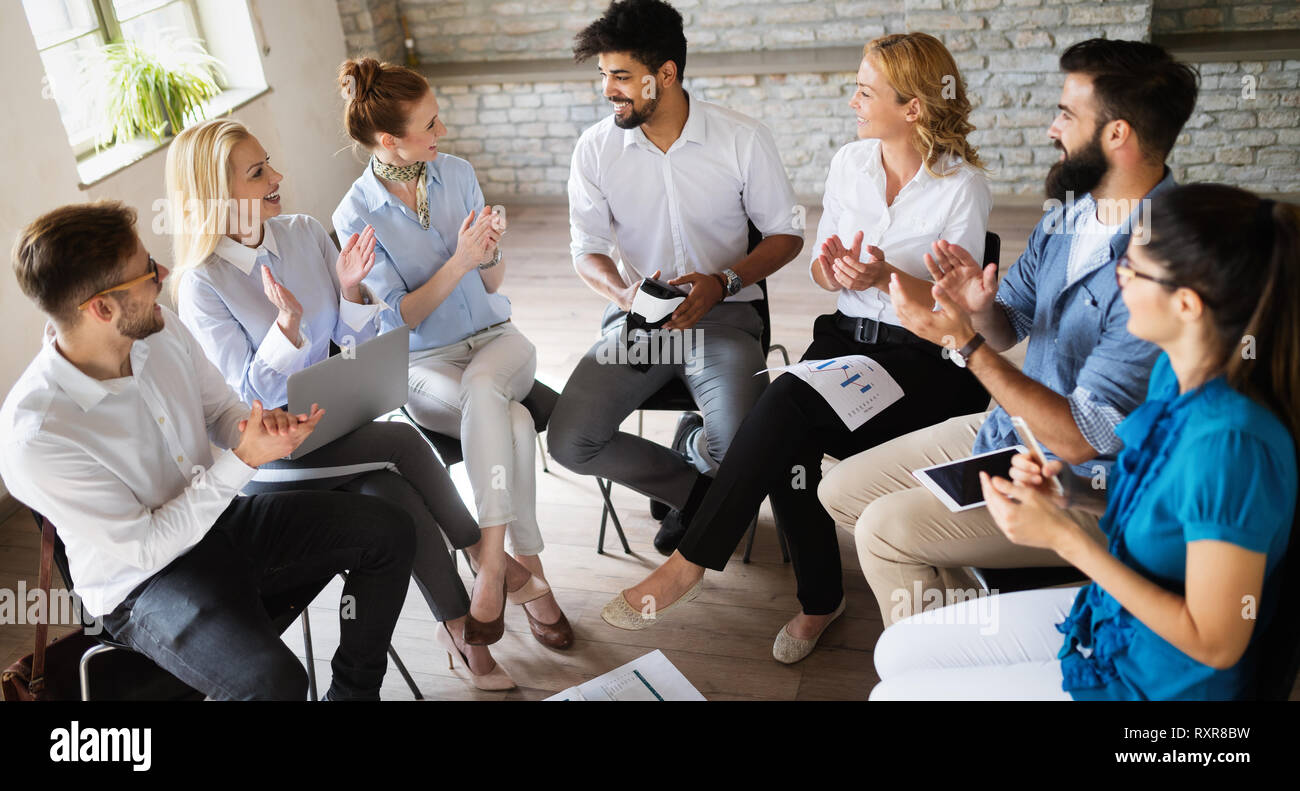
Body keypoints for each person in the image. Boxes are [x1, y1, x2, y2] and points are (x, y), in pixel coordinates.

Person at [600, 33, 993, 664]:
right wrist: (834, 272)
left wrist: (883, 277)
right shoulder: (850, 164)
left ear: (913, 108)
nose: (853, 100)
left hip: (916, 357)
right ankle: (819, 599)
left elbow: (960, 299)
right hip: (843, 339)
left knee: (785, 402)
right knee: (789, 425)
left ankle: (695, 560)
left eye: (866, 90)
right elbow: (818, 268)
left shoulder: (961, 186)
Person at [816, 38, 1200, 624]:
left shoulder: (1165, 256)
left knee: (883, 530)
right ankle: (967, 619)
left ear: (1117, 133)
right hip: (1013, 433)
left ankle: (940, 662)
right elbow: (1009, 324)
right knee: (838, 490)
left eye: (1067, 114)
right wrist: (977, 307)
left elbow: (1083, 439)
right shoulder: (1073, 212)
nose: (1052, 127)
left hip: (1086, 483)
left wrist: (962, 343)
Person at [871, 185, 1299, 700]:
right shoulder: (1172, 372)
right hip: (1118, 621)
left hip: (1161, 684)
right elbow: (1150, 492)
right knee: (892, 651)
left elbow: (1216, 644)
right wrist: (1071, 492)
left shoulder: (1233, 447)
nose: (1118, 278)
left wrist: (1063, 536)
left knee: (892, 695)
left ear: (1186, 305)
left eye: (1133, 271)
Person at [0, 201, 415, 701]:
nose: (166, 273)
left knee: (388, 529)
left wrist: (259, 427)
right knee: (275, 682)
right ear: (101, 309)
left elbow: (222, 412)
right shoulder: (36, 435)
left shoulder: (159, 328)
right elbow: (148, 545)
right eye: (147, 271)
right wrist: (245, 460)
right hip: (144, 584)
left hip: (222, 523)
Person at [167, 118, 517, 689]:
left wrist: (351, 291)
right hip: (276, 456)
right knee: (404, 443)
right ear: (217, 193)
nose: (278, 176)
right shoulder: (202, 284)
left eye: (269, 163)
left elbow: (353, 347)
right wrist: (285, 330)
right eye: (258, 173)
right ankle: (485, 555)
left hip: (338, 426)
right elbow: (244, 402)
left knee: (396, 496)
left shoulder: (305, 232)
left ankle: (458, 628)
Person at [547, 0, 804, 554]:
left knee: (741, 445)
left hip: (726, 318)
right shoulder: (595, 149)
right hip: (639, 321)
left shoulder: (742, 138)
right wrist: (622, 291)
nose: (608, 89)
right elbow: (586, 248)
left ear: (666, 74)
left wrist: (725, 281)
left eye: (620, 76)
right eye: (603, 75)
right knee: (570, 442)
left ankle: (703, 457)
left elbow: (786, 234)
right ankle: (695, 490)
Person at [332, 57, 572, 650]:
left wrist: (487, 253)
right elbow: (398, 319)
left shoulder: (458, 173)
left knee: (490, 389)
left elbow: (491, 286)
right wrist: (459, 260)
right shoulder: (353, 215)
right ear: (390, 140)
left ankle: (491, 565)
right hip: (423, 365)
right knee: (510, 418)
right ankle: (529, 571)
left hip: (498, 340)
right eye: (431, 125)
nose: (443, 133)